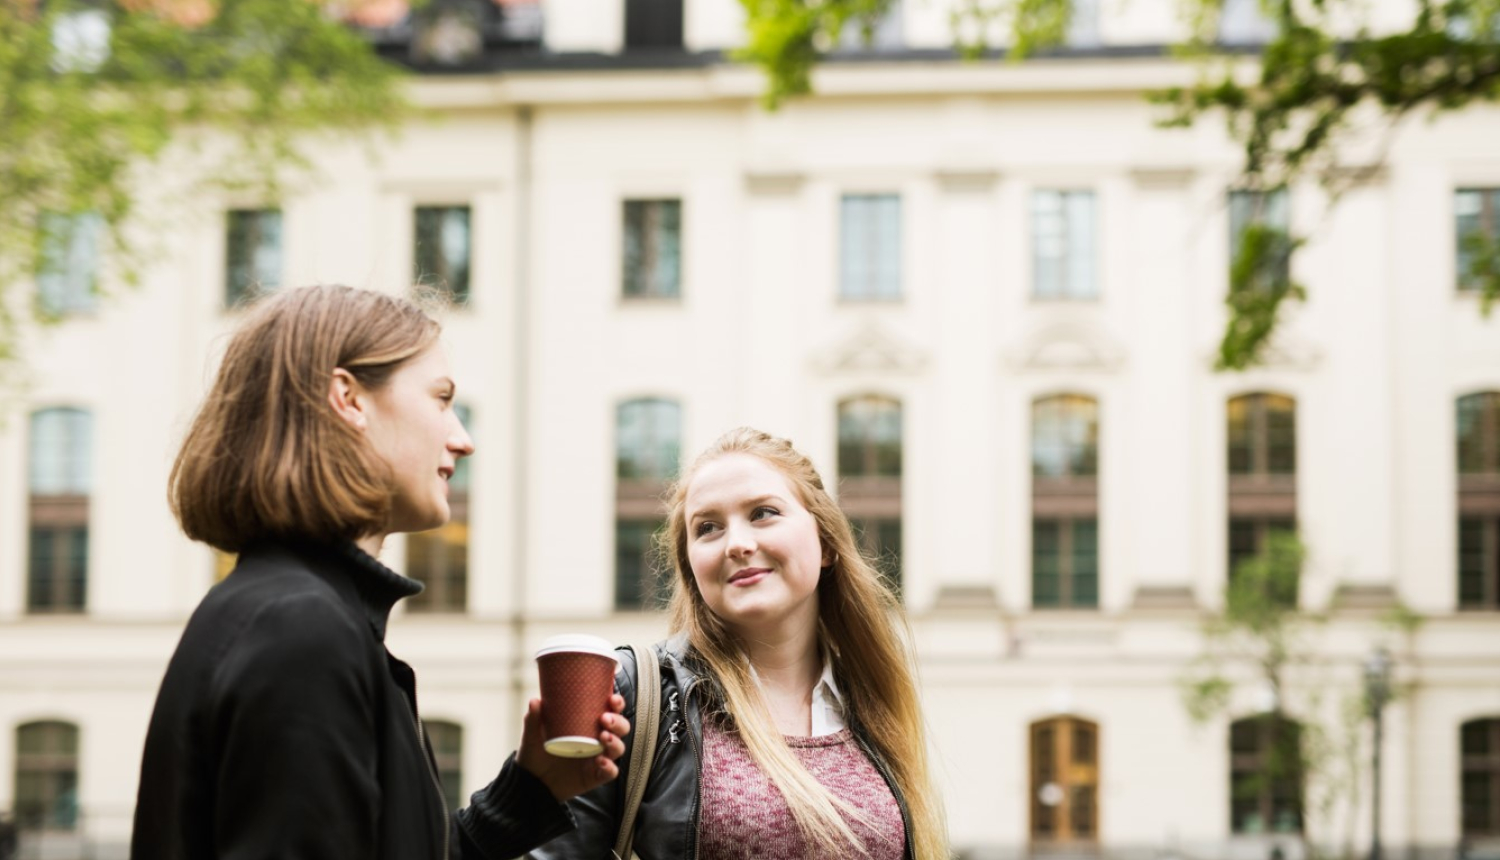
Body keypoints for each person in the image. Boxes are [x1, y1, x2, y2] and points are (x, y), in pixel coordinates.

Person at [131, 284, 629, 859]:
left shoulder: (289, 614)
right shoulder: (301, 631)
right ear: (348, 398)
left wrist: (534, 789)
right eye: (441, 400)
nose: (462, 440)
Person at [530, 427, 949, 860]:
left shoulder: (872, 697)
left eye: (763, 513)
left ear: (825, 541)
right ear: (690, 564)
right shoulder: (628, 693)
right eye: (708, 527)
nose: (738, 544)